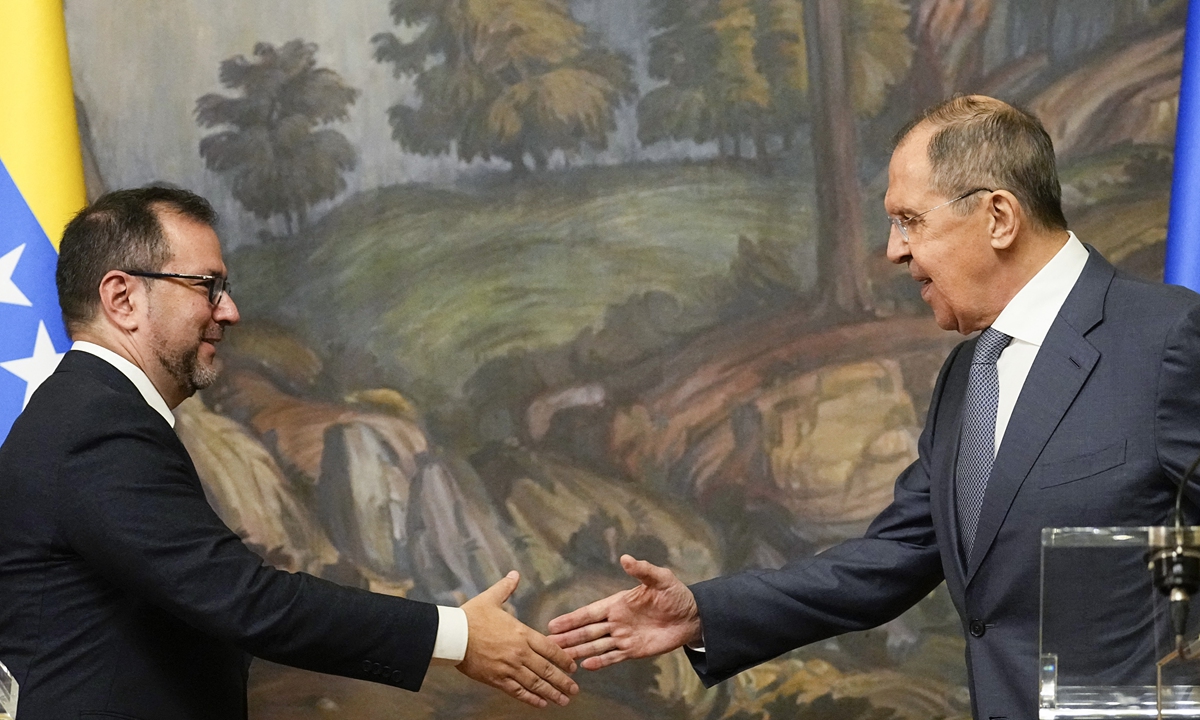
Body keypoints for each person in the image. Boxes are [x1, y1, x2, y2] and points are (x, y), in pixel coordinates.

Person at [548, 95, 1200, 719]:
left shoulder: (1170, 341)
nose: (893, 250)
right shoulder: (971, 374)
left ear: (998, 217)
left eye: (910, 220)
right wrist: (703, 613)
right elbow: (890, 559)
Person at [0, 187, 578, 719]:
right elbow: (243, 600)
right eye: (207, 286)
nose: (229, 311)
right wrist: (456, 635)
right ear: (122, 297)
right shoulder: (95, 429)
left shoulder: (93, 415)